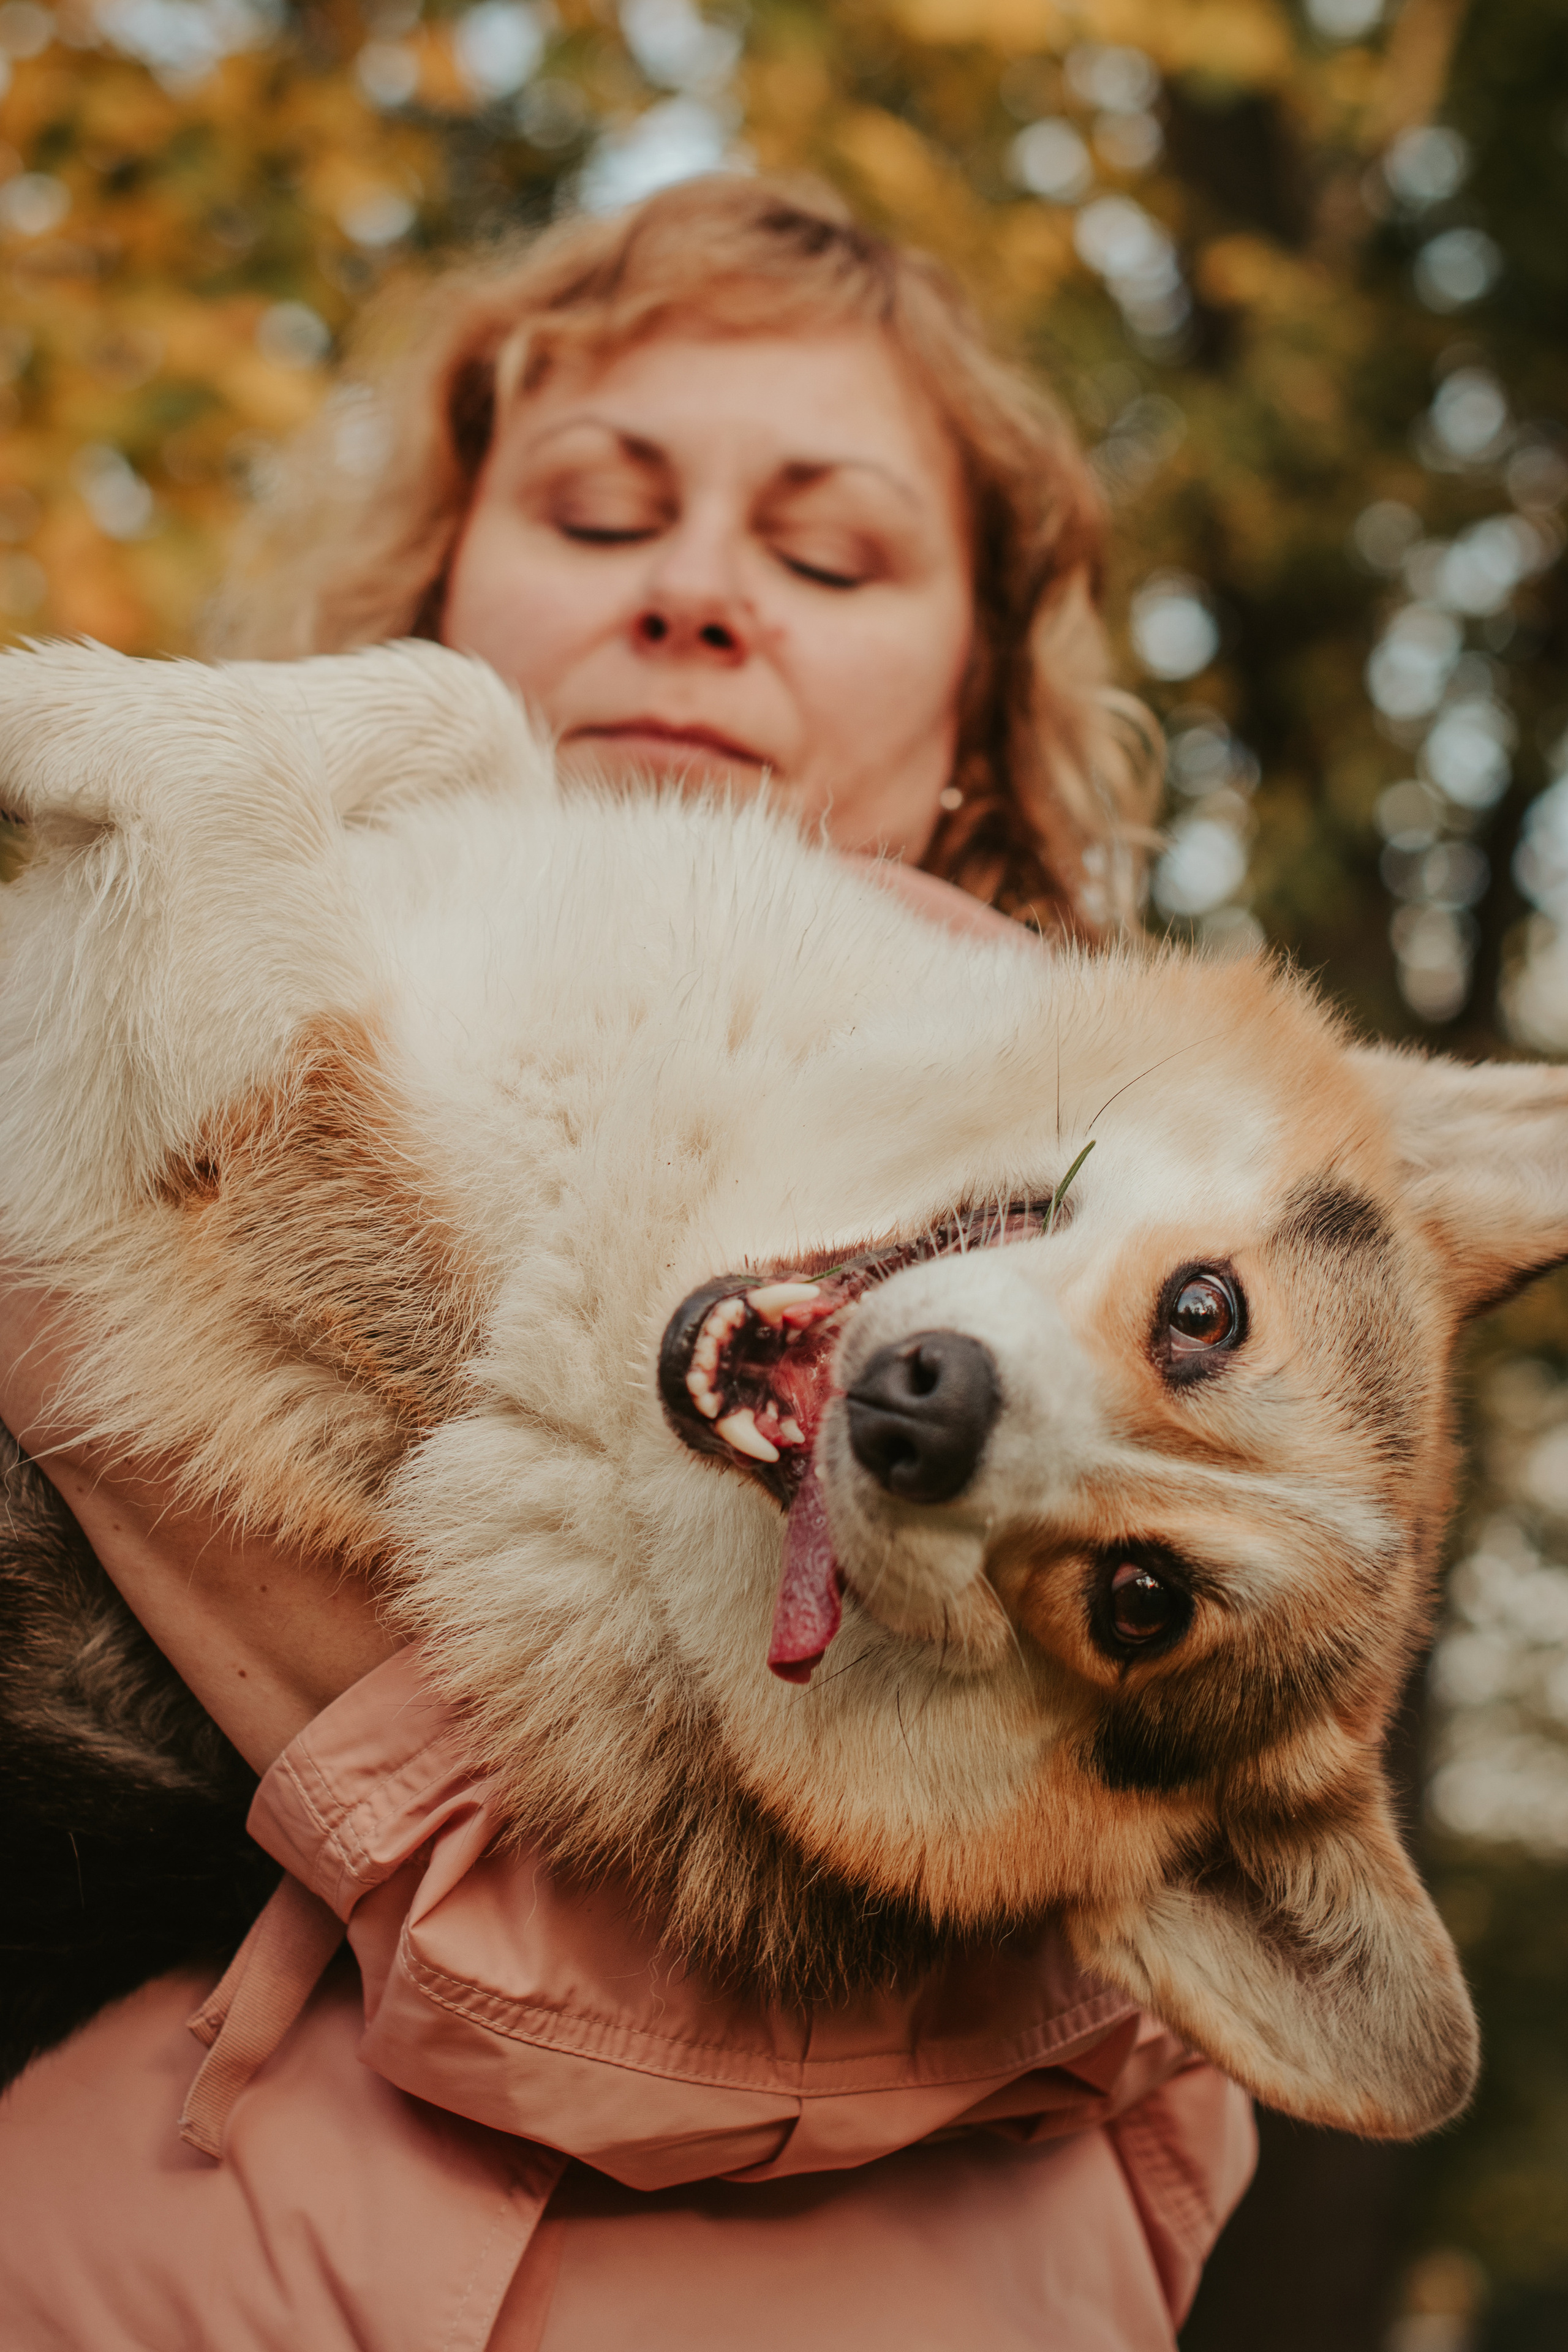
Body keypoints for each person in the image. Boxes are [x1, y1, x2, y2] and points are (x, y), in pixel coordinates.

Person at [0, 175, 1252, 2350]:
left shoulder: (1159, 1276)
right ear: (435, 592)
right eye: (598, 517)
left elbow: (780, 1972)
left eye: (825, 551)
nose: (692, 593)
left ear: (972, 718)